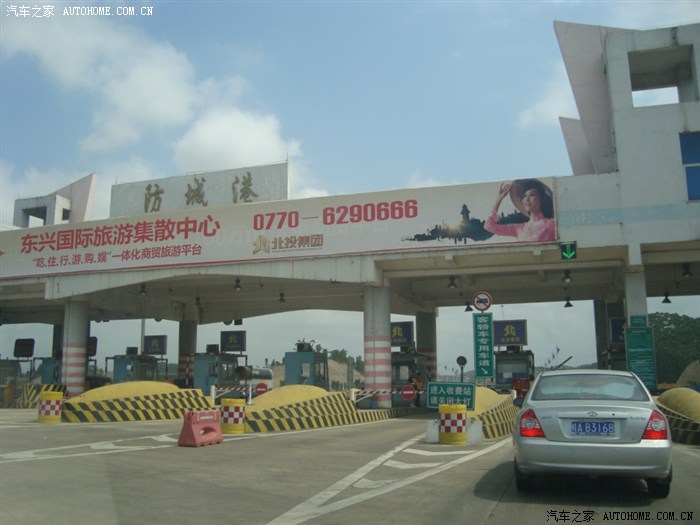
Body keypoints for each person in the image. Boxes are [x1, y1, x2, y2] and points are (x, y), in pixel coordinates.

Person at [484, 179, 556, 242]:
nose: (527, 199)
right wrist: (498, 199)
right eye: (524, 196)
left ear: (542, 199)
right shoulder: (519, 228)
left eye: (532, 195)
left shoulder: (552, 224)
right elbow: (488, 226)